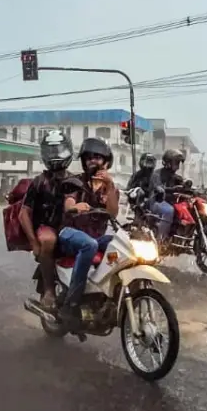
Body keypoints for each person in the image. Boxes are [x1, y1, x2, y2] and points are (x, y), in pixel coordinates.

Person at [56, 137, 119, 332]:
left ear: (106, 161)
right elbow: (68, 203)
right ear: (84, 161)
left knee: (119, 243)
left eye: (98, 157)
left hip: (95, 236)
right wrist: (75, 207)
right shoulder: (75, 181)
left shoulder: (108, 188)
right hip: (69, 233)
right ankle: (71, 305)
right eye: (89, 157)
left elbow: (113, 213)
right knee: (89, 245)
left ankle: (106, 296)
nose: (93, 161)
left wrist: (109, 186)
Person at [19, 130, 75, 309]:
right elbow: (23, 214)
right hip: (47, 227)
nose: (56, 155)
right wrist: (34, 243)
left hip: (71, 228)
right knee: (48, 240)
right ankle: (50, 290)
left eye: (59, 150)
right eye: (51, 151)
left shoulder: (76, 181)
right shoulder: (39, 182)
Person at [128, 153, 174, 241]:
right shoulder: (136, 175)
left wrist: (159, 190)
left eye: (151, 162)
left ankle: (160, 238)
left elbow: (160, 188)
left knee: (169, 210)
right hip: (138, 204)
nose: (149, 165)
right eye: (148, 162)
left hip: (152, 202)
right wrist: (134, 193)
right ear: (142, 162)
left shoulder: (155, 176)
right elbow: (129, 189)